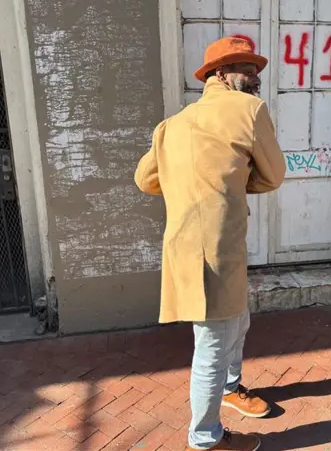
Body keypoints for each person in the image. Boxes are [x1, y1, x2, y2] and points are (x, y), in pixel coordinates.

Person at [134, 37, 286, 451]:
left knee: (237, 321)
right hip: (213, 247)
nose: (255, 78)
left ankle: (231, 389)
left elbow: (146, 179)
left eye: (256, 69)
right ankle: (205, 440)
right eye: (246, 69)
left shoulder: (173, 124)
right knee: (214, 343)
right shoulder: (249, 110)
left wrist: (199, 182)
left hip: (192, 243)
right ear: (220, 74)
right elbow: (273, 175)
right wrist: (231, 183)